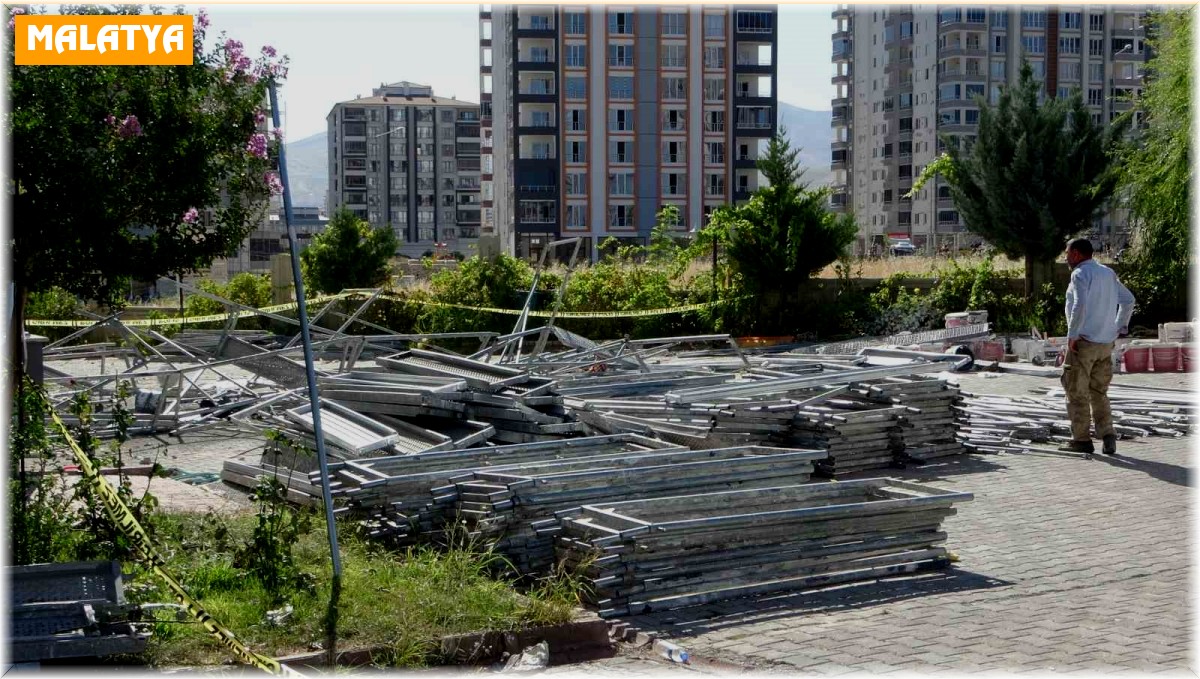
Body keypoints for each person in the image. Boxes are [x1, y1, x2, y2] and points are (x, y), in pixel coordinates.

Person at [1060, 237, 1136, 456]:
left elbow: (1079, 304)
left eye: (1067, 252)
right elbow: (1128, 300)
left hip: (1084, 343)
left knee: (1076, 392)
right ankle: (1108, 434)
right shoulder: (1107, 273)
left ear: (1075, 253)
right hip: (1105, 343)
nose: (1066, 257)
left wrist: (1072, 335)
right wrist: (1120, 327)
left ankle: (1081, 440)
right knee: (1098, 391)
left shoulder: (1080, 274)